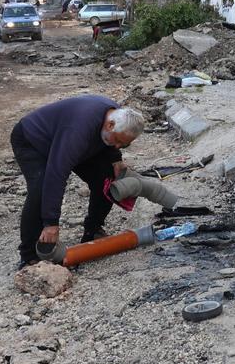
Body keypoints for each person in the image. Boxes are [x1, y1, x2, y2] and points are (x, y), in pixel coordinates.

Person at [9, 96, 146, 268]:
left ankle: (92, 231)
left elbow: (111, 146)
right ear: (110, 125)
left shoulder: (117, 117)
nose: (118, 146)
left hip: (77, 141)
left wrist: (115, 159)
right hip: (33, 141)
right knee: (41, 188)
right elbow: (57, 173)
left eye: (124, 145)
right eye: (118, 141)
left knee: (106, 179)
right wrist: (51, 223)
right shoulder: (77, 131)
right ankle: (29, 255)